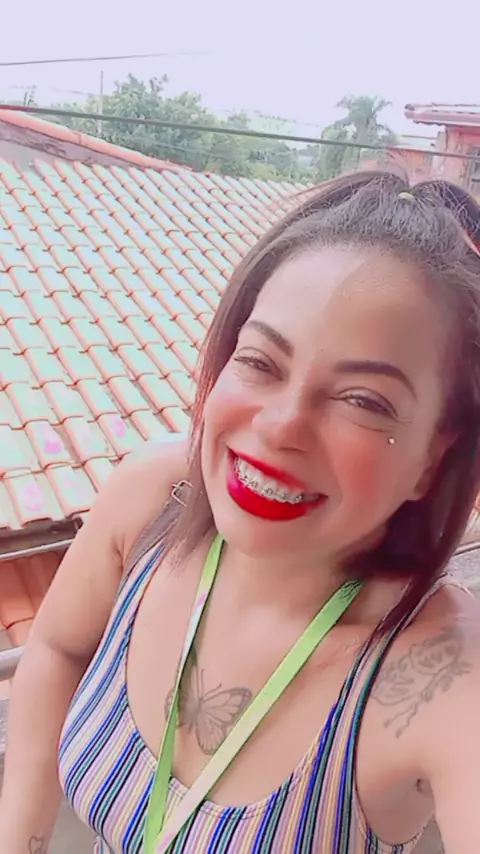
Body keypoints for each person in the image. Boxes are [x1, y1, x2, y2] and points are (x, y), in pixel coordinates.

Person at [1, 170, 480, 854]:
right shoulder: (152, 502)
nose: (282, 425)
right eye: (260, 362)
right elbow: (57, 647)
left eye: (363, 400)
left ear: (434, 457)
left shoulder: (441, 672)